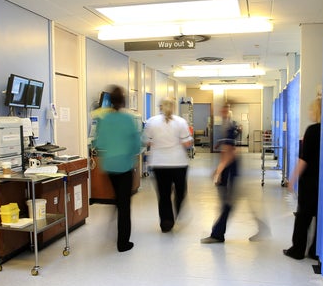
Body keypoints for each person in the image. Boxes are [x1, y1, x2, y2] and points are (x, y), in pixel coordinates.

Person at [93, 85, 142, 252]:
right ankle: (123, 243)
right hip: (124, 166)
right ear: (123, 101)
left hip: (109, 166)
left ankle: (112, 224)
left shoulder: (104, 119)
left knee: (119, 198)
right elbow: (136, 144)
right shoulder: (127, 119)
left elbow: (98, 143)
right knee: (124, 205)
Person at [143, 97, 193, 232]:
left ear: (160, 107)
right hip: (179, 164)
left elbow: (146, 141)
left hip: (159, 164)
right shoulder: (181, 122)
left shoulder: (151, 122)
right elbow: (187, 144)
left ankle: (166, 223)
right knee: (180, 192)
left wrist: (158, 143)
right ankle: (176, 211)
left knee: (164, 195)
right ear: (173, 107)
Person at [283, 93, 322, 260]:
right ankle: (316, 250)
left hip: (310, 181)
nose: (308, 112)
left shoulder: (312, 130)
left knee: (303, 217)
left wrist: (292, 180)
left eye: (310, 109)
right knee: (320, 216)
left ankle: (298, 249)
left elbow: (303, 160)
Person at [201, 104, 240, 243]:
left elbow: (229, 154)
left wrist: (218, 171)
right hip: (229, 169)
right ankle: (217, 233)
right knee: (227, 203)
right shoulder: (227, 126)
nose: (222, 112)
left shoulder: (229, 127)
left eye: (225, 110)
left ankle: (217, 234)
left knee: (227, 204)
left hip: (229, 170)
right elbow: (229, 148)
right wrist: (220, 143)